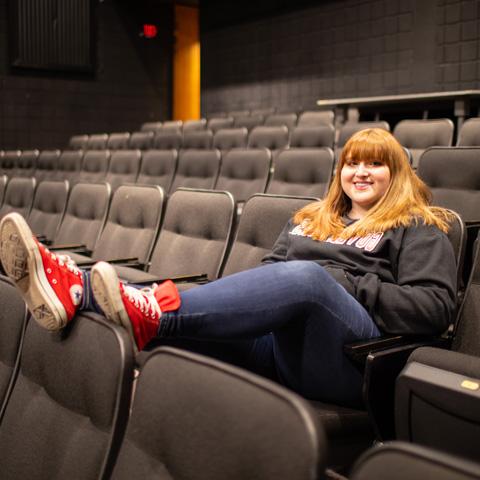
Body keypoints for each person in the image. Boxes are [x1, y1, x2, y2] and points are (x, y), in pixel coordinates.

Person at [0, 128, 457, 407]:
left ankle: (141, 304)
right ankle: (74, 289)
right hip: (279, 348)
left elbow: (434, 309)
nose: (360, 171)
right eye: (351, 163)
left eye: (375, 164)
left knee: (308, 278)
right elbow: (268, 278)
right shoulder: (310, 220)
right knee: (175, 333)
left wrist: (341, 282)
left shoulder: (417, 227)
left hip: (346, 362)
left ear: (396, 173)